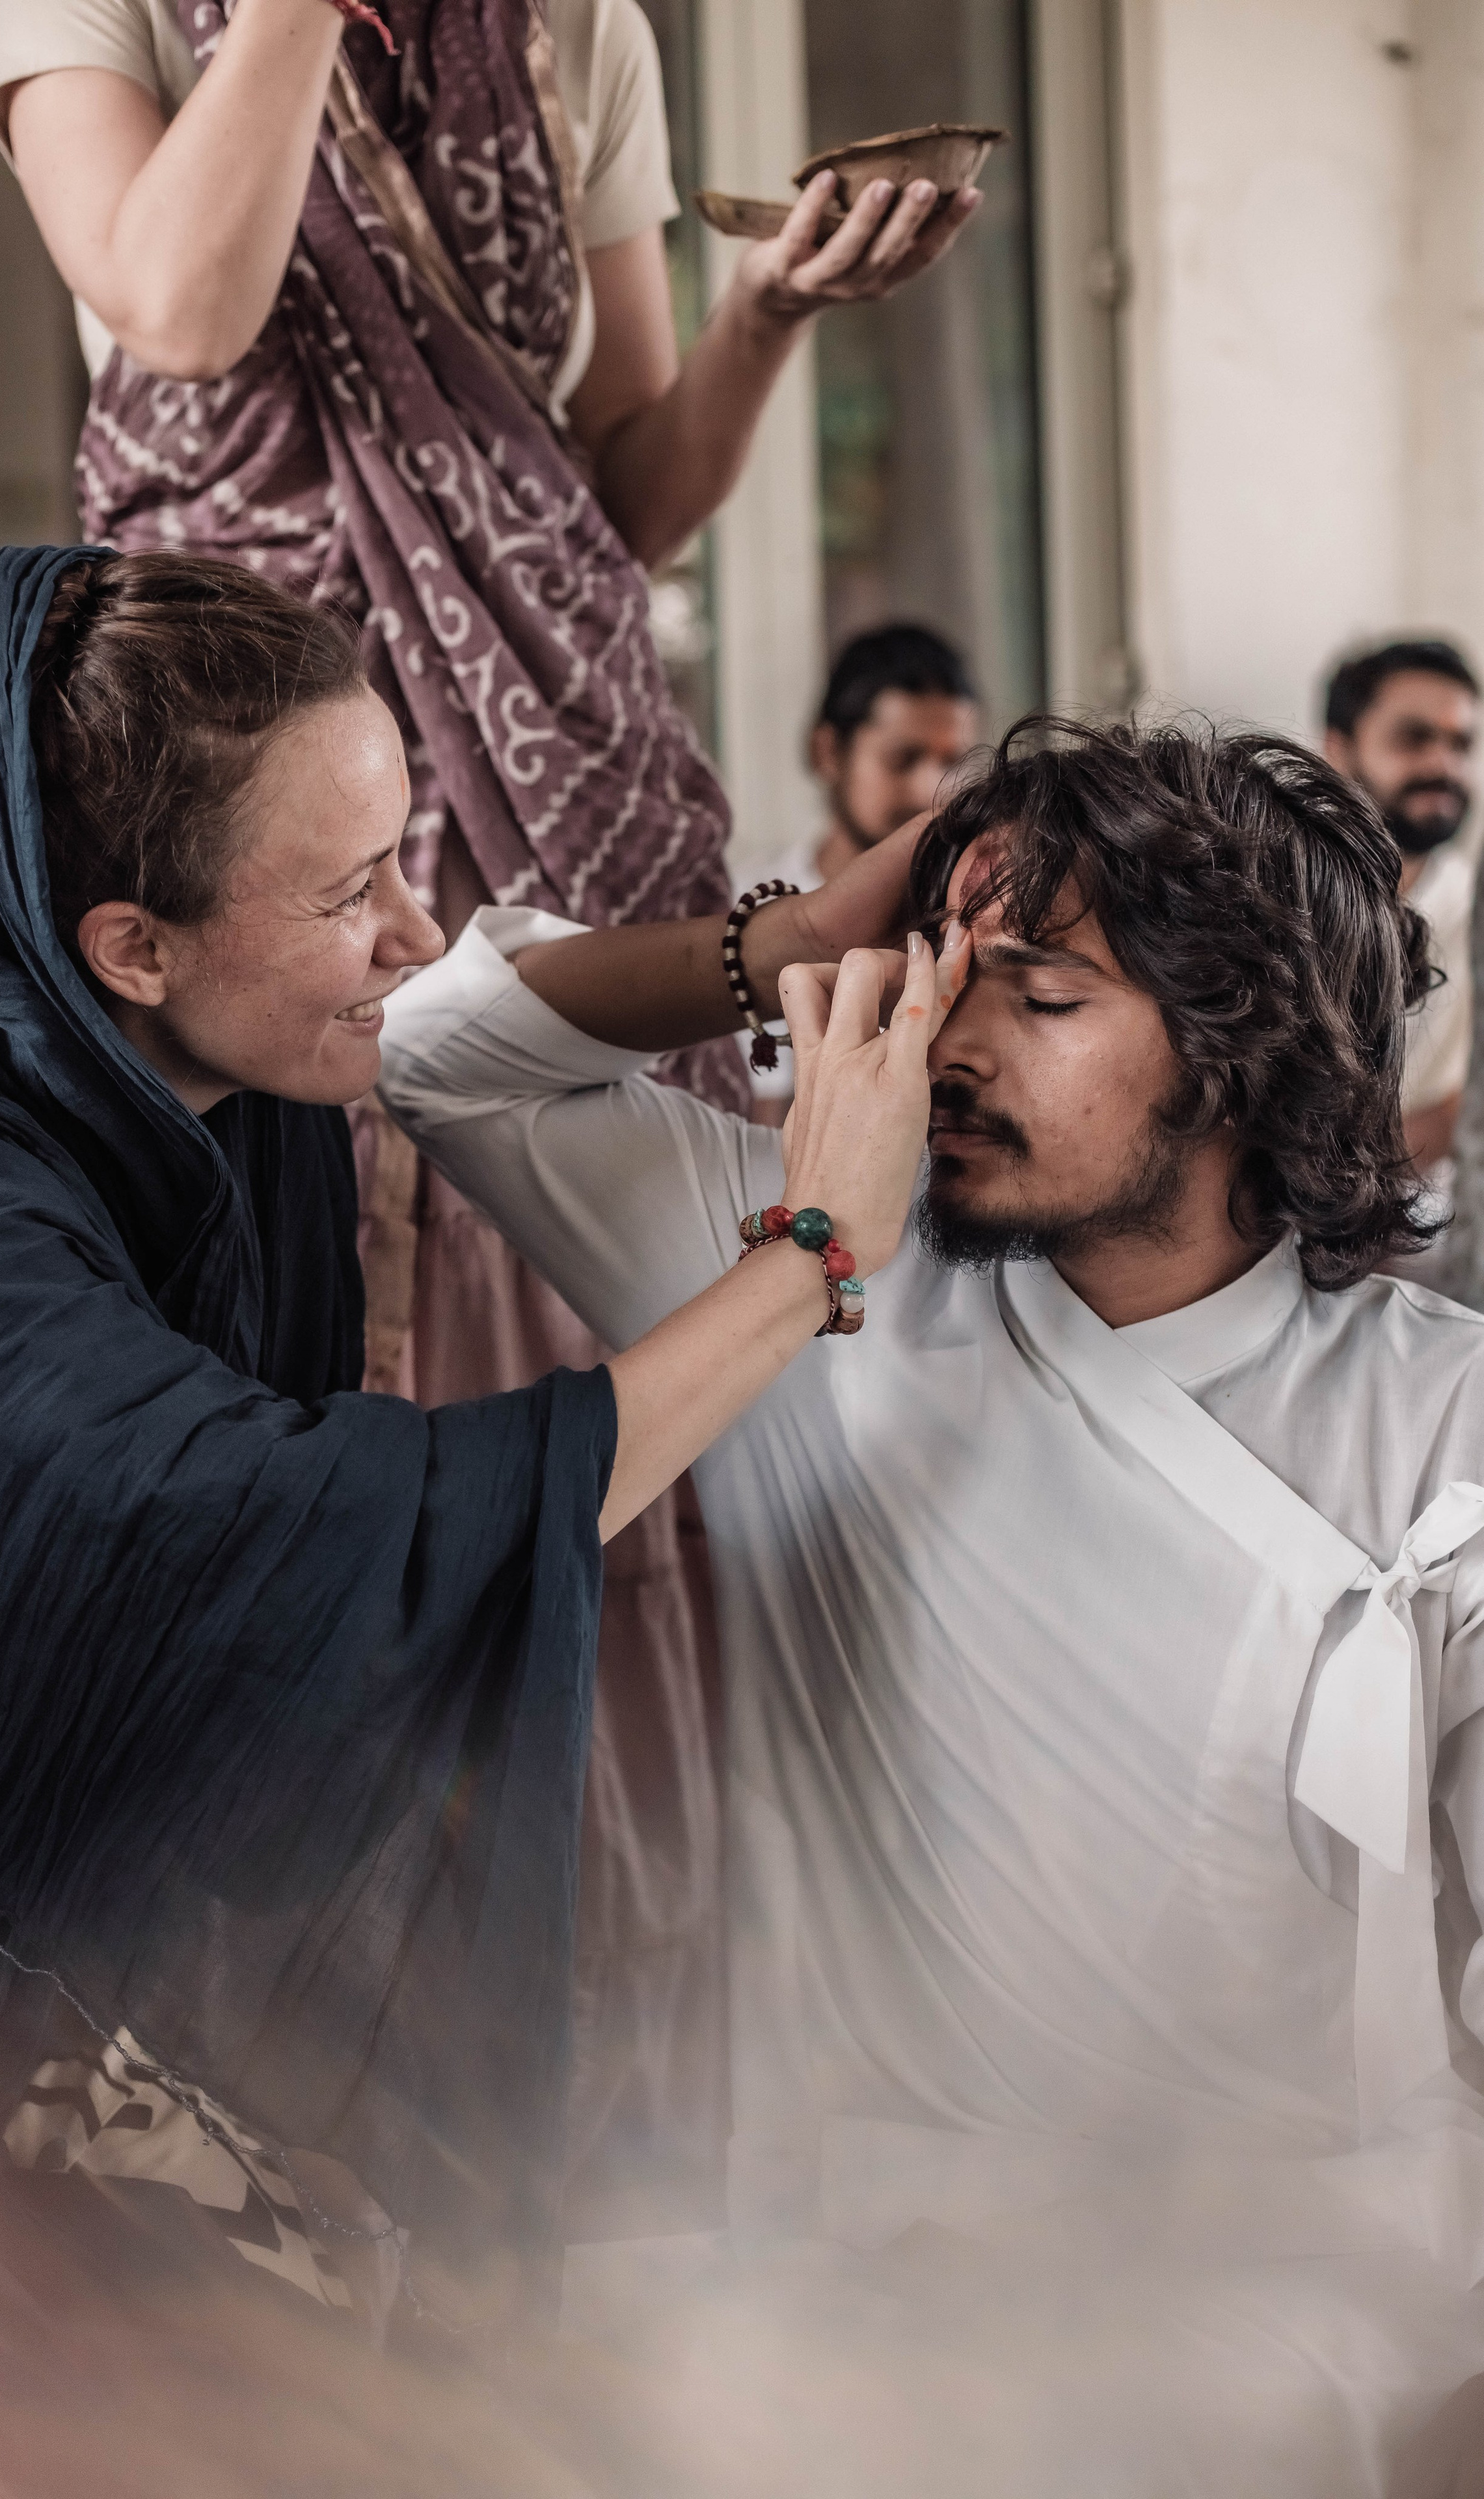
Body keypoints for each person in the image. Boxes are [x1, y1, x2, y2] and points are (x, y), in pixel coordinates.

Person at [0, 545, 958, 2498]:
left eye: (403, 848)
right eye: (351, 889)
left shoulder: (188, 1052)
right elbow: (301, 1533)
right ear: (128, 941)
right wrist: (815, 1246)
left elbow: (452, 1003)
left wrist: (773, 944)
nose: (408, 922)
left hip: (95, 2008)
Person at [0, 0, 984, 2226]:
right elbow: (178, 298)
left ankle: (616, 2119)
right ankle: (296, 2144)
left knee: (618, 1426)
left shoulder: (573, 31)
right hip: (248, 804)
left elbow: (613, 494)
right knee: (336, 1418)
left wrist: (762, 316)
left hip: (560, 785)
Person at [381, 715, 1484, 2496]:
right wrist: (805, 937)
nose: (950, 1044)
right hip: (862, 2305)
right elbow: (440, 1053)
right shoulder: (805, 1273)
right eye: (944, 975)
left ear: (1242, 1058)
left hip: (1326, 2332)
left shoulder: (1444, 1421)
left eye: (1042, 1001)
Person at [738, 619, 978, 1114]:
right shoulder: (742, 907)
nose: (929, 792)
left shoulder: (975, 916)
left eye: (951, 761)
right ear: (827, 752)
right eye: (902, 759)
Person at [1323, 638, 1480, 1176]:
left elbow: (1461, 1116)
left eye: (1461, 743)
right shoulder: (1281, 903)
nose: (1444, 764)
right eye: (1414, 738)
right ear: (1337, 749)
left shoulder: (1471, 909)